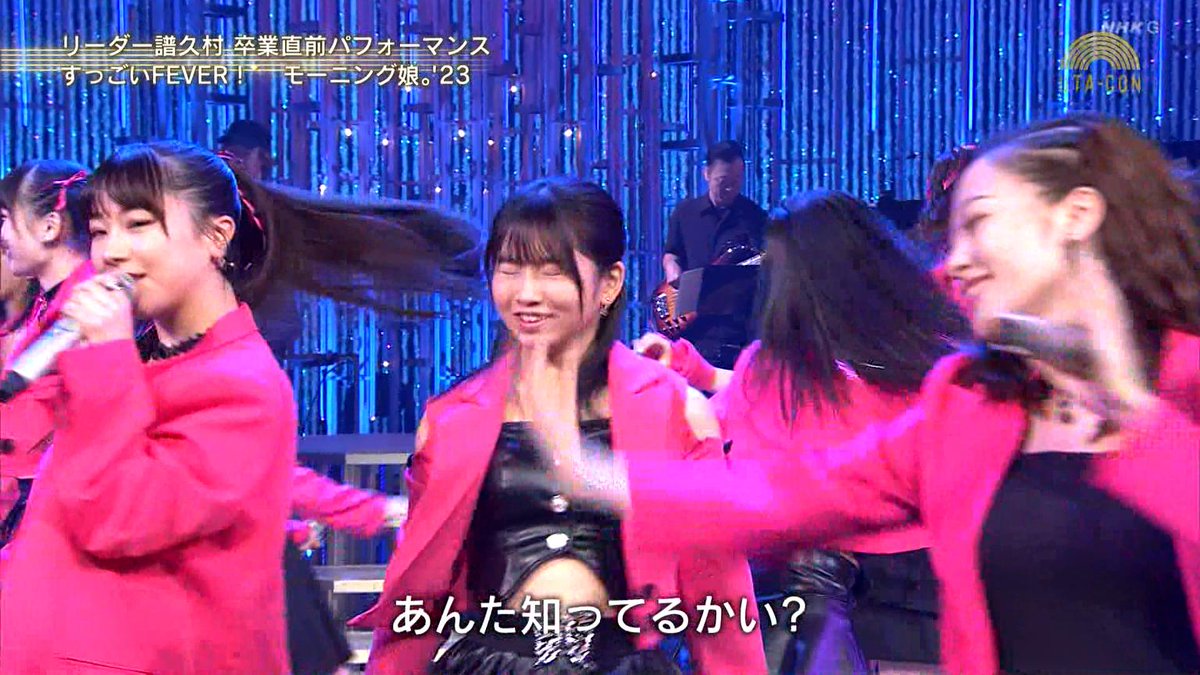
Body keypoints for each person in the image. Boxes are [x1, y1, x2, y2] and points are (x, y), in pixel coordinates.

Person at [540, 114, 1200, 674]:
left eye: (979, 224)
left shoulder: (1183, 387)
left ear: (1076, 216)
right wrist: (602, 475)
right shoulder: (969, 404)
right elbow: (792, 494)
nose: (956, 258)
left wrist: (1137, 414)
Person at [0, 140, 480, 673]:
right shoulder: (134, 361)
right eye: (98, 231)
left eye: (137, 225)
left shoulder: (241, 386)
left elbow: (120, 519)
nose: (111, 251)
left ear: (216, 236)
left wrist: (106, 361)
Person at [349, 177, 766, 674]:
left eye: (552, 272)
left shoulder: (676, 411)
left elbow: (719, 596)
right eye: (509, 270)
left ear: (609, 283)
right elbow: (415, 596)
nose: (527, 294)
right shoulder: (451, 420)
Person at [635, 190, 969, 674]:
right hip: (920, 598)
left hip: (845, 600)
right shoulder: (940, 356)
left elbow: (729, 436)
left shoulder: (778, 370)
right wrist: (696, 372)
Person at [0, 160, 94, 553]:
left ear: (49, 226)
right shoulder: (48, 303)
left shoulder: (88, 308)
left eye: (4, 219)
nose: (1, 236)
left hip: (52, 515)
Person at [662, 141, 767, 368]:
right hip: (692, 327)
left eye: (736, 182)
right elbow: (672, 253)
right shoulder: (685, 213)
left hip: (737, 332)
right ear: (706, 174)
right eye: (722, 181)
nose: (729, 189)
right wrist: (673, 275)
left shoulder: (756, 218)